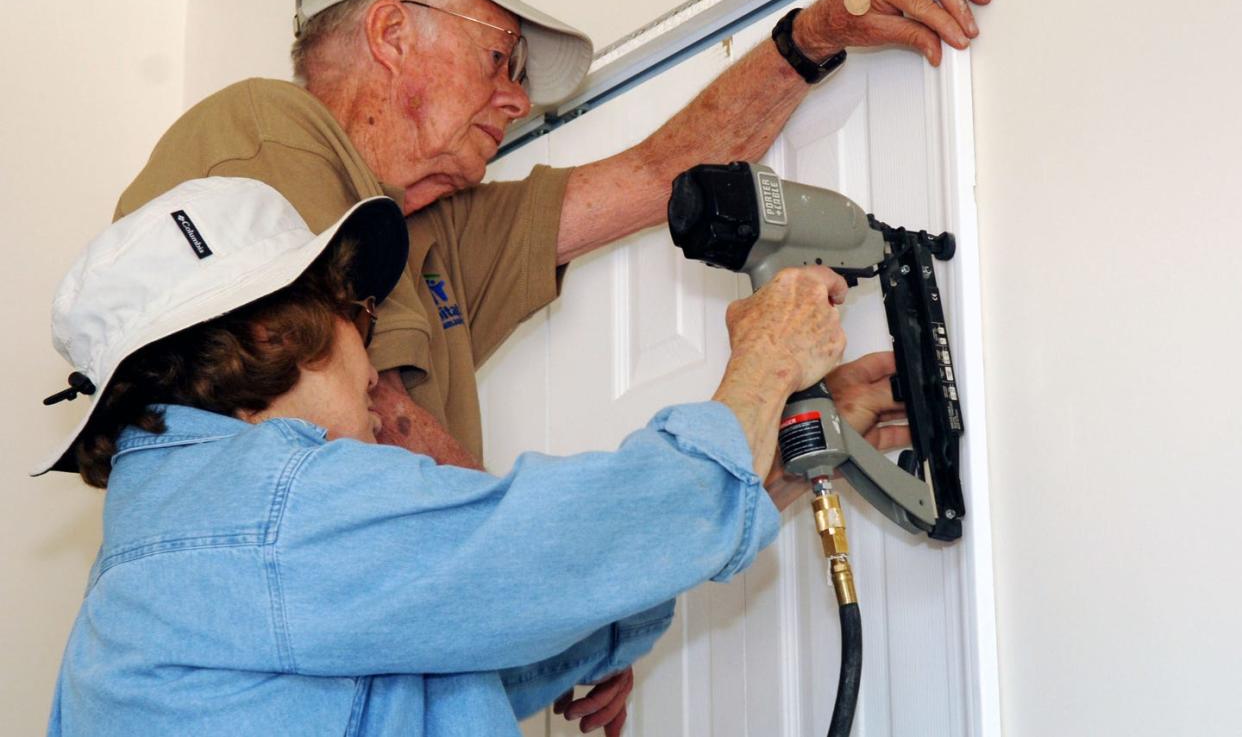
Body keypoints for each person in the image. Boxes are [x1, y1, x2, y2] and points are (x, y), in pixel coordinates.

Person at [108, 0, 984, 730]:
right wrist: (587, 579)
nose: (517, 101)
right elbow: (375, 456)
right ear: (392, 33)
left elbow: (664, 174)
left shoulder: (434, 229)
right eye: (501, 60)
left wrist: (821, 29)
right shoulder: (264, 134)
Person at [41, 177, 869, 737]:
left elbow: (437, 672)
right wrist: (764, 363)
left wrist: (780, 464)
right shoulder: (270, 508)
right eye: (354, 310)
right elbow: (545, 545)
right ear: (271, 334)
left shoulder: (168, 555)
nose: (373, 368)